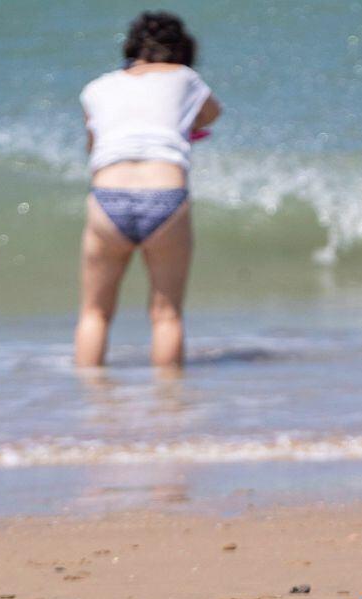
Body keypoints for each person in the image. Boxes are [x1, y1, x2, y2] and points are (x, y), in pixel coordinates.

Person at [74, 11, 221, 367]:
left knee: (94, 314)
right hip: (165, 195)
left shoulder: (96, 88)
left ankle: (88, 412)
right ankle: (169, 411)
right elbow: (211, 115)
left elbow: (93, 145)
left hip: (108, 198)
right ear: (182, 51)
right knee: (166, 314)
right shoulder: (186, 78)